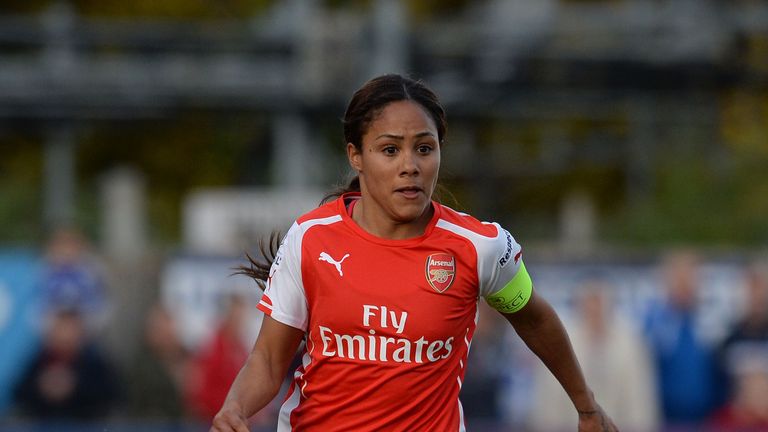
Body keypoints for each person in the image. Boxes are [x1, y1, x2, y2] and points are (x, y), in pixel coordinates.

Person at [211, 74, 617, 431]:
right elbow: (268, 359)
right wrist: (235, 408)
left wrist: (586, 406)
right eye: (390, 150)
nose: (410, 165)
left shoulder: (480, 247)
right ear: (356, 156)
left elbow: (533, 317)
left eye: (424, 148)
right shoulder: (311, 238)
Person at [529, 279, 659, 431]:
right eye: (589, 303)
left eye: (599, 303)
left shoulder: (631, 345)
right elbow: (548, 405)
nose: (594, 310)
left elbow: (640, 403)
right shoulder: (559, 345)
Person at [644, 252, 719, 429]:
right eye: (679, 279)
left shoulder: (711, 322)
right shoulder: (654, 324)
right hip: (665, 419)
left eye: (689, 278)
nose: (684, 285)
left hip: (706, 419)